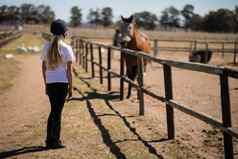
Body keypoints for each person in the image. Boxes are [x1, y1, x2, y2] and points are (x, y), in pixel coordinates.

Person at [41, 19, 75, 149]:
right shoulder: (67, 48)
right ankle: (53, 140)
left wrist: (46, 84)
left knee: (54, 111)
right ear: (63, 33)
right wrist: (71, 88)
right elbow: (69, 71)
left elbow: (43, 67)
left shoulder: (46, 46)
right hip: (62, 84)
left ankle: (51, 139)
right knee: (57, 112)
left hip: (50, 83)